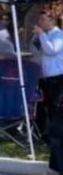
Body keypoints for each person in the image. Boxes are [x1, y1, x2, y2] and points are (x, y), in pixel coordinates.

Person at [32, 10, 63, 141]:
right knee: (44, 106)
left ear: (52, 21)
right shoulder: (43, 34)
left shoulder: (59, 34)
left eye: (43, 19)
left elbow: (51, 50)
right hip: (44, 76)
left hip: (57, 76)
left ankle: (56, 136)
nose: (40, 22)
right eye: (40, 20)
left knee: (55, 107)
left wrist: (41, 35)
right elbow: (37, 51)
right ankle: (46, 133)